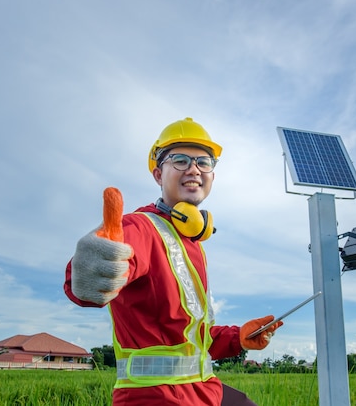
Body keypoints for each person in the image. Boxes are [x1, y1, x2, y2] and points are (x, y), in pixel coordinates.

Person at [64, 117, 282, 406]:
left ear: (212, 176)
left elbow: (191, 340)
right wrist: (91, 269)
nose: (194, 169)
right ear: (158, 174)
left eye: (204, 162)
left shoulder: (192, 242)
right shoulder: (140, 228)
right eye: (180, 160)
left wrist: (238, 337)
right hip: (153, 397)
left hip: (204, 390)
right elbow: (100, 263)